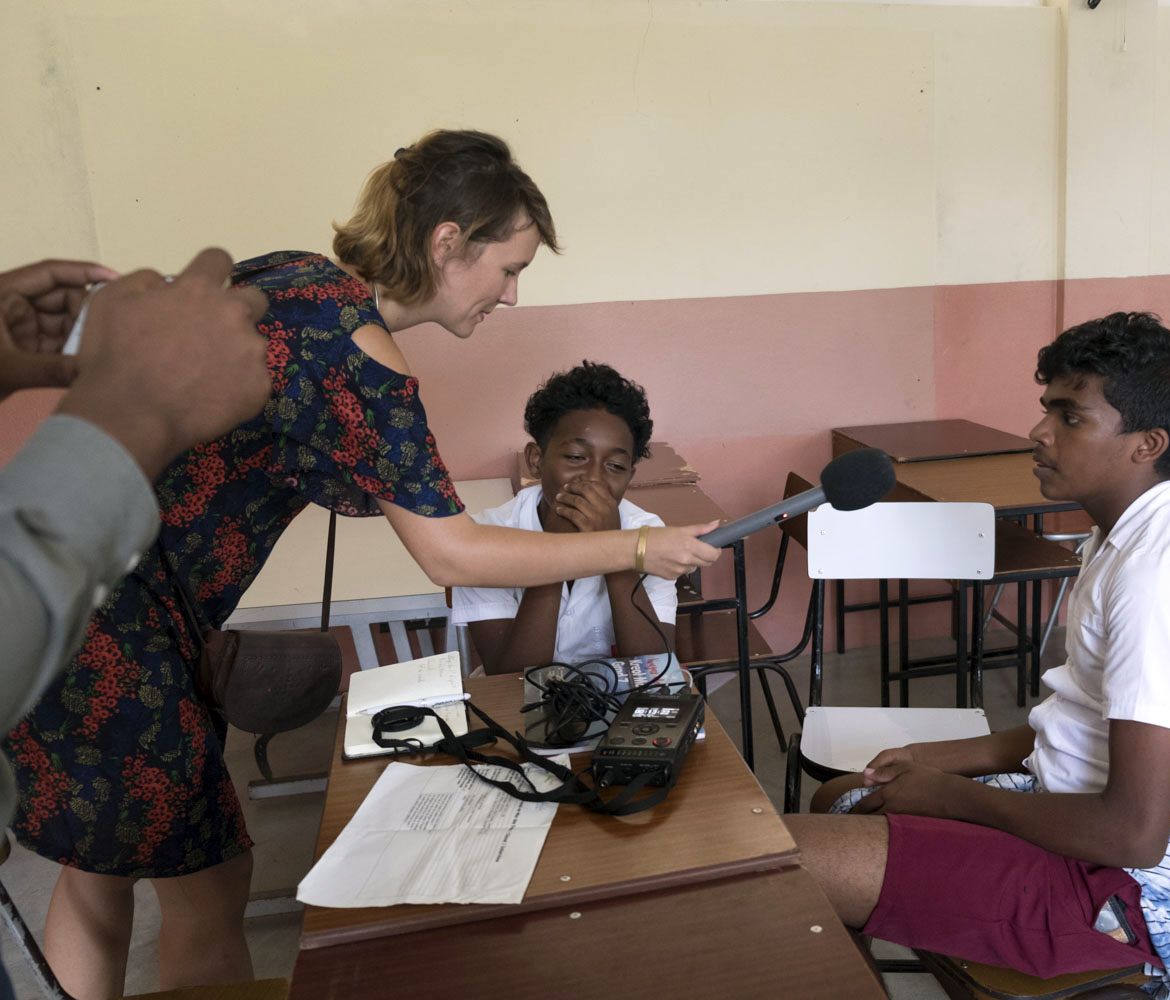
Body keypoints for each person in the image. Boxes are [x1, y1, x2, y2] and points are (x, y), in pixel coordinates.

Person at [5, 130, 720, 1000]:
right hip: (124, 626)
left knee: (97, 871)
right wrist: (640, 545)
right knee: (206, 887)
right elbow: (451, 552)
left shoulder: (300, 277)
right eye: (508, 268)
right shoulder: (364, 355)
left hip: (80, 597)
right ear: (447, 241)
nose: (514, 295)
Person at [785, 313, 1170, 1000]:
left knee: (786, 866)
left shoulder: (1162, 580)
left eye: (1070, 417)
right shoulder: (1122, 538)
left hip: (1122, 895)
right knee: (845, 797)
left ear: (1146, 444)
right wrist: (938, 759)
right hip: (1080, 829)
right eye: (1046, 411)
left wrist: (949, 795)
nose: (1039, 433)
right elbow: (1074, 729)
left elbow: (1134, 833)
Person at [0, 250, 271, 1000]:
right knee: (195, 879)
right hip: (113, 657)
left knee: (98, 867)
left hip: (109, 650)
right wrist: (133, 406)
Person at [452, 361, 677, 674]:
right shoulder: (486, 535)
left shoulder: (647, 534)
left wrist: (617, 550)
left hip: (616, 706)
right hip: (518, 710)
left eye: (615, 466)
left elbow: (653, 669)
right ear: (536, 460)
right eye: (575, 457)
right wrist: (554, 550)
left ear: (630, 475)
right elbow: (509, 677)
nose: (594, 480)